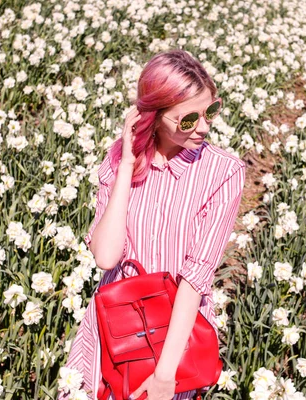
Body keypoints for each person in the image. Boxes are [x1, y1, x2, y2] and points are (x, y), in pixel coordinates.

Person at [58, 49, 246, 400]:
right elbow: (106, 257)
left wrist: (165, 374)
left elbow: (194, 280)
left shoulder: (223, 173)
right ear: (155, 117)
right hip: (115, 327)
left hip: (173, 340)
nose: (204, 127)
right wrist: (127, 165)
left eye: (211, 112)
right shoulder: (119, 158)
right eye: (188, 119)